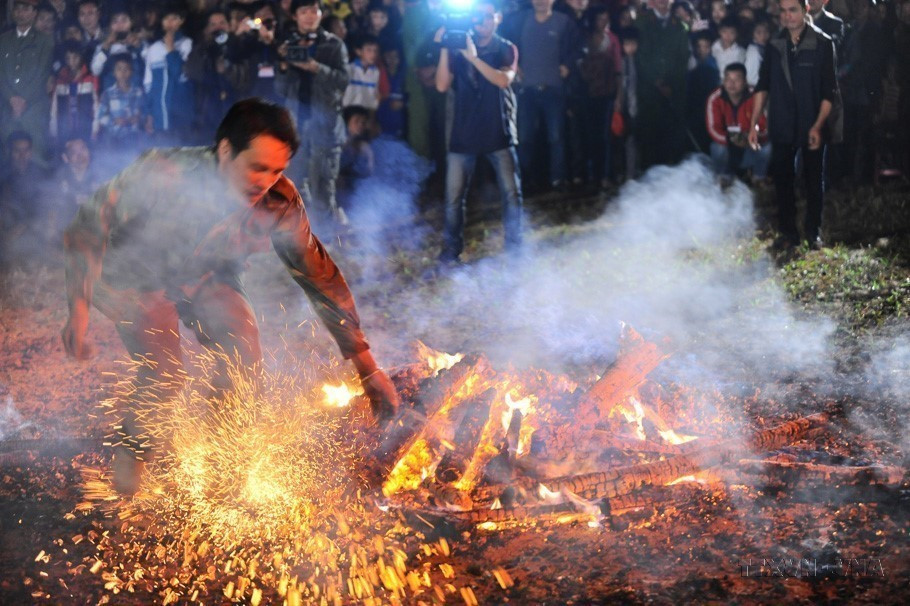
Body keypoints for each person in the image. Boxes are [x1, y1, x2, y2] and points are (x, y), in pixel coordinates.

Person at [61, 98, 401, 494]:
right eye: (257, 167)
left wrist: (367, 365)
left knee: (243, 353)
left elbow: (318, 274)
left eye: (277, 170)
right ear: (225, 150)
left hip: (206, 274)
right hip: (134, 273)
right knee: (165, 374)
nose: (266, 181)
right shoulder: (166, 173)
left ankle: (223, 477)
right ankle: (125, 483)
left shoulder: (280, 200)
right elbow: (90, 222)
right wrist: (79, 308)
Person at [749, 0, 841, 250]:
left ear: (805, 10)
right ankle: (788, 233)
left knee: (813, 180)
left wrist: (817, 125)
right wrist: (753, 123)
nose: (788, 16)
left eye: (793, 10)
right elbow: (763, 85)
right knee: (783, 179)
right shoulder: (775, 45)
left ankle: (814, 233)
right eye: (784, 10)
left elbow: (828, 91)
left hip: (812, 122)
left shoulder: (823, 44)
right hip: (782, 123)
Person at [435, 0, 522, 263]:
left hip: (498, 132)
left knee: (511, 194)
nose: (482, 22)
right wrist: (444, 48)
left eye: (487, 17)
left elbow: (502, 80)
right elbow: (441, 85)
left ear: (498, 18)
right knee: (453, 198)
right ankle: (451, 251)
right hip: (463, 133)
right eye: (477, 17)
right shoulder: (457, 45)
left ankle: (515, 248)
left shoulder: (506, 48)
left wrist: (471, 56)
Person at [275, 0, 350, 226]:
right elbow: (280, 89)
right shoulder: (288, 46)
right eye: (304, 11)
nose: (309, 16)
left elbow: (343, 81)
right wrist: (284, 67)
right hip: (296, 124)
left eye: (313, 10)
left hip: (325, 124)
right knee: (294, 183)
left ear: (320, 14)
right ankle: (303, 237)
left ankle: (325, 240)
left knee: (323, 184)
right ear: (295, 16)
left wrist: (316, 67)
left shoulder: (333, 44)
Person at [0, 0, 54, 165]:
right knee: (7, 154)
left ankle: (38, 189)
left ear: (34, 12)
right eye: (17, 8)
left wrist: (23, 100)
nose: (20, 12)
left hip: (34, 107)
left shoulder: (45, 40)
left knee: (36, 154)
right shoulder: (3, 39)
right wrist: (11, 98)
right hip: (7, 106)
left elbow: (43, 74)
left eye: (25, 9)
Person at [706, 62, 769, 181]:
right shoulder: (715, 98)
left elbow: (764, 127)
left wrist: (751, 137)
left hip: (749, 146)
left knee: (767, 148)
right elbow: (713, 128)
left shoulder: (756, 95)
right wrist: (732, 139)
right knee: (717, 148)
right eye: (728, 79)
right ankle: (723, 178)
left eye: (737, 79)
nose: (731, 84)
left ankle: (758, 179)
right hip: (728, 147)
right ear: (723, 81)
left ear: (745, 81)